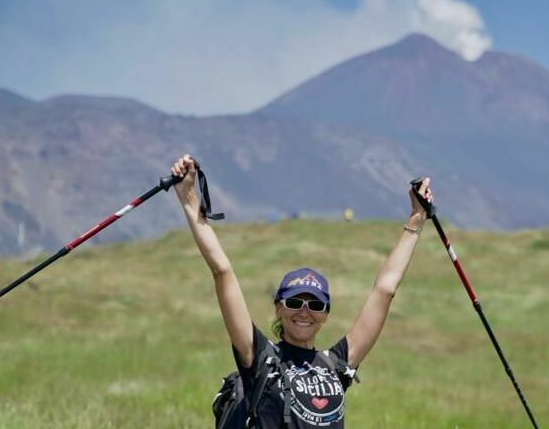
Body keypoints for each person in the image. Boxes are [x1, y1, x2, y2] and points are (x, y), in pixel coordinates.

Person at [171, 154, 434, 428]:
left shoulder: (337, 364)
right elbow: (222, 272)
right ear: (279, 307)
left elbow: (385, 289)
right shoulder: (260, 358)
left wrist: (416, 219)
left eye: (315, 305)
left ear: (326, 315)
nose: (305, 311)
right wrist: (189, 198)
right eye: (295, 302)